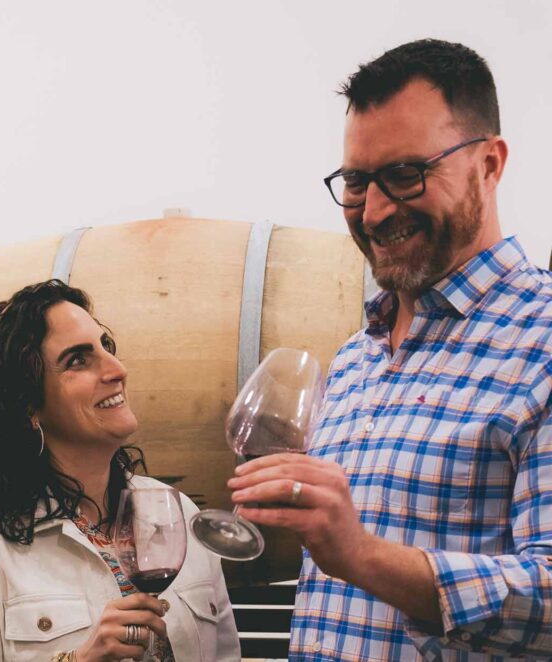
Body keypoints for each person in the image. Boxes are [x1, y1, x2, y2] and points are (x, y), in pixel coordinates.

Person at [228, 39, 551, 659]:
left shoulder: (542, 341)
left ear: (489, 163)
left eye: (406, 175)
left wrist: (363, 556)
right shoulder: (354, 358)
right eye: (356, 181)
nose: (374, 211)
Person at [0, 279, 240, 661]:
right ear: (26, 404)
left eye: (107, 347)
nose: (117, 369)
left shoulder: (177, 514)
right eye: (78, 360)